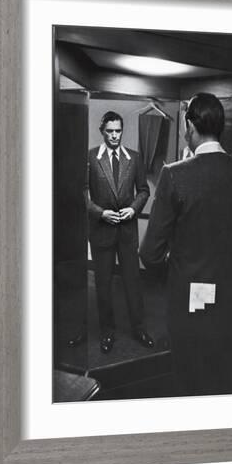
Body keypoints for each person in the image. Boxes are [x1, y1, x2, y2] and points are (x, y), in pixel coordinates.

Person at [140, 93, 232, 395]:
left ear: (190, 125)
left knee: (188, 382)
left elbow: (149, 253)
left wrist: (179, 268)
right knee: (225, 381)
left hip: (188, 304)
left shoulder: (175, 175)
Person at [85, 111, 154, 353]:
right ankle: (107, 332)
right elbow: (82, 193)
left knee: (133, 282)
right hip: (101, 231)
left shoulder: (133, 158)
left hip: (127, 231)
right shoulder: (91, 157)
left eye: (118, 131)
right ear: (102, 131)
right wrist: (99, 212)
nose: (115, 135)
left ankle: (139, 328)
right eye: (110, 131)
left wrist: (134, 209)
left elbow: (144, 190)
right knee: (103, 284)